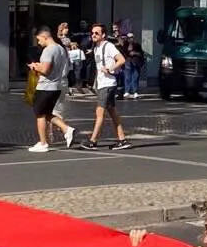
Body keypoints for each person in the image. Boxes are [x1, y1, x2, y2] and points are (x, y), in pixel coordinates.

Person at [80, 23, 130, 151]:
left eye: (97, 33)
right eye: (92, 33)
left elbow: (122, 59)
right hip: (103, 83)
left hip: (108, 84)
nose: (93, 35)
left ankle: (93, 141)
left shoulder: (109, 46)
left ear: (103, 35)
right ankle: (122, 139)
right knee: (113, 113)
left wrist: (110, 68)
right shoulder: (96, 48)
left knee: (99, 112)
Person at [26, 25, 76, 152]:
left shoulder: (49, 50)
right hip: (57, 86)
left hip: (46, 86)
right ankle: (66, 129)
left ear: (44, 36)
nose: (39, 42)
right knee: (47, 113)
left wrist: (34, 66)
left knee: (40, 114)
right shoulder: (60, 49)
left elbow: (45, 70)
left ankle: (43, 143)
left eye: (39, 39)